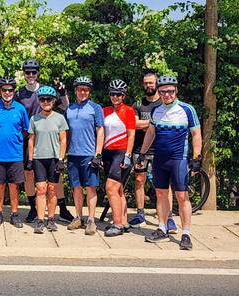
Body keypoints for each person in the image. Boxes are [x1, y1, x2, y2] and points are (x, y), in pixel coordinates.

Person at [139, 75, 202, 250]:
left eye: (170, 91)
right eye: (163, 91)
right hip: (160, 159)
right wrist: (143, 154)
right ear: (159, 92)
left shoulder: (187, 109)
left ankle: (186, 233)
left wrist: (197, 158)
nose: (167, 94)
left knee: (182, 196)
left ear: (176, 91)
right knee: (160, 194)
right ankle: (162, 227)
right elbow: (150, 133)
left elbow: (196, 135)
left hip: (178, 159)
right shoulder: (156, 110)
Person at [15, 59, 74, 224]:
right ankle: (34, 209)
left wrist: (63, 93)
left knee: (56, 176)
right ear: (24, 74)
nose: (31, 75)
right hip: (30, 138)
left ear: (38, 73)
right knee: (29, 174)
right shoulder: (20, 94)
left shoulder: (46, 90)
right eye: (28, 72)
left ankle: (61, 208)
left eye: (34, 72)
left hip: (49, 138)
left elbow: (65, 108)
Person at [129, 72, 177, 233]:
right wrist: (152, 122)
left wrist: (147, 124)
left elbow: (165, 122)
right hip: (140, 150)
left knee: (163, 186)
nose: (148, 85)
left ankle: (168, 218)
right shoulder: (138, 104)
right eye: (145, 83)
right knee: (139, 181)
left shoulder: (163, 102)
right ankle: (140, 214)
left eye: (150, 82)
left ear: (156, 83)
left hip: (160, 150)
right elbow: (133, 124)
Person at [0, 75, 29, 228]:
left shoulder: (20, 108)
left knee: (14, 186)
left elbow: (26, 129)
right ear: (0, 91)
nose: (7, 93)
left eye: (10, 90)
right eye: (4, 90)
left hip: (15, 154)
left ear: (14, 91)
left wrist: (16, 141)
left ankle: (15, 214)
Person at [65, 76, 104, 235]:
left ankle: (91, 220)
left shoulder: (95, 108)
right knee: (76, 187)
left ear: (89, 91)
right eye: (80, 89)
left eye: (86, 89)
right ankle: (78, 217)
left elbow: (100, 130)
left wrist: (98, 154)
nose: (83, 92)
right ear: (75, 91)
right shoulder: (70, 108)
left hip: (89, 154)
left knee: (91, 187)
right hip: (73, 153)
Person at [27, 86, 69, 233]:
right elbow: (31, 140)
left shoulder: (59, 118)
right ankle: (40, 220)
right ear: (39, 101)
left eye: (48, 99)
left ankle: (51, 219)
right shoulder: (34, 119)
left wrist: (61, 159)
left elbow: (63, 140)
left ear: (53, 101)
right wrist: (30, 159)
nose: (46, 102)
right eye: (42, 99)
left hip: (54, 158)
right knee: (40, 189)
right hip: (39, 158)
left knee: (52, 189)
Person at [102, 79, 136, 237]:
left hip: (121, 152)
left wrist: (128, 155)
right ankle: (123, 221)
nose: (115, 97)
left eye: (118, 94)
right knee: (119, 189)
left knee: (111, 188)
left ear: (123, 95)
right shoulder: (105, 110)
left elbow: (131, 135)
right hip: (107, 152)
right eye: (112, 94)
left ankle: (116, 224)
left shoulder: (128, 111)